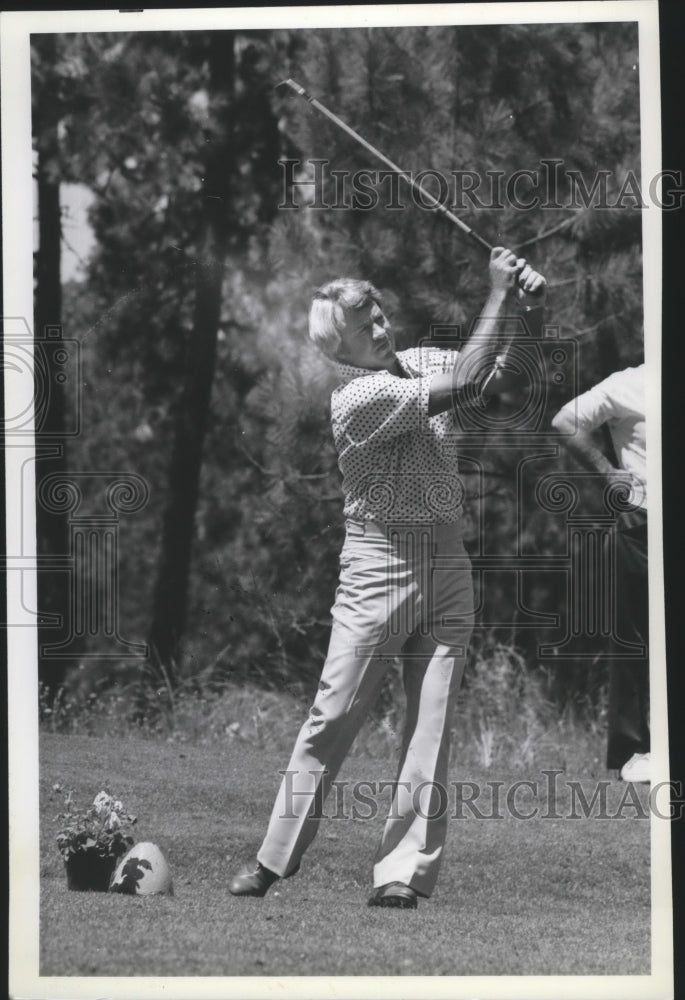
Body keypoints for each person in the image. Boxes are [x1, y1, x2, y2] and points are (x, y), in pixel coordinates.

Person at [230, 247, 546, 908]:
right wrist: (495, 291)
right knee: (333, 715)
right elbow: (463, 384)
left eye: (377, 314)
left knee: (430, 726)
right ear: (338, 347)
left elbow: (499, 383)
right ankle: (273, 858)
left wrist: (524, 309)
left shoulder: (425, 361)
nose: (379, 327)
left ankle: (400, 873)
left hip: (446, 561)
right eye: (362, 325)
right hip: (378, 567)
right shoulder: (358, 397)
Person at [551, 364, 649, 783]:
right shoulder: (630, 382)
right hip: (644, 525)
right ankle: (634, 752)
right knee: (635, 641)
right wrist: (608, 474)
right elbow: (565, 421)